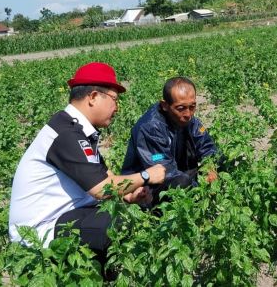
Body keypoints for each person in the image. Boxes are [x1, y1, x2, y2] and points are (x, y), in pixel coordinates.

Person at [9, 62, 166, 266]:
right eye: (114, 100)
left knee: (126, 211)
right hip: (40, 231)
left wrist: (128, 194)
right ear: (93, 97)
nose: (117, 108)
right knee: (115, 223)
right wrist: (146, 176)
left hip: (66, 216)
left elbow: (105, 176)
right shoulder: (66, 134)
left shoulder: (76, 129)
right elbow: (103, 189)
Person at [122, 77, 219, 201]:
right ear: (165, 105)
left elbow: (208, 147)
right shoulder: (150, 127)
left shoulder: (188, 120)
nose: (188, 114)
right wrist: (200, 188)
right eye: (181, 108)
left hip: (178, 170)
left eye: (192, 106)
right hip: (147, 185)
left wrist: (210, 167)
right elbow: (163, 170)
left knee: (221, 163)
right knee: (181, 182)